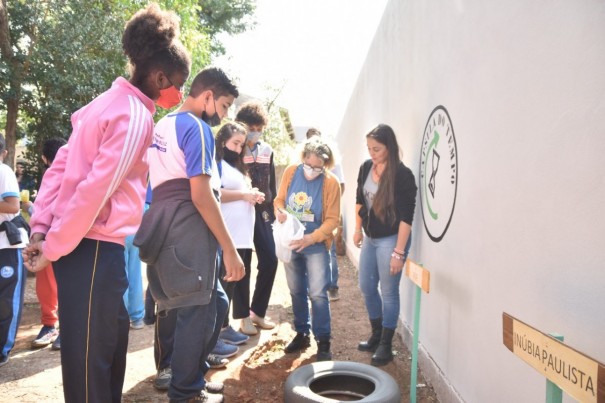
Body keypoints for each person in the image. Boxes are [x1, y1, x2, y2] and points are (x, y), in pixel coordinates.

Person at [22, 4, 191, 402]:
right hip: (94, 247)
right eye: (177, 84)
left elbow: (59, 170)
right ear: (159, 76)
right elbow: (95, 191)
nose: (178, 94)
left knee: (105, 352)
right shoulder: (135, 115)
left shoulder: (103, 103)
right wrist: (52, 245)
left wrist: (43, 229)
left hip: (83, 246)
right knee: (90, 364)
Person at [135, 66, 244, 403]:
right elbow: (201, 194)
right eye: (224, 106)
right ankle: (185, 391)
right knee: (199, 310)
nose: (223, 115)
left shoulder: (162, 124)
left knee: (206, 303)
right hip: (187, 226)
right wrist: (229, 247)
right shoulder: (196, 128)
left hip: (162, 226)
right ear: (208, 96)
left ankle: (188, 377)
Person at [354, 124, 417, 367]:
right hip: (370, 237)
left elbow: (406, 218)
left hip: (392, 238)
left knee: (389, 291)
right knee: (366, 286)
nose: (372, 153)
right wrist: (357, 229)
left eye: (377, 149)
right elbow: (360, 200)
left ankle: (386, 345)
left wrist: (398, 253)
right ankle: (376, 333)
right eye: (369, 148)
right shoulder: (366, 168)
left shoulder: (402, 175)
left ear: (389, 147)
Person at [274, 137, 340, 361]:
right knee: (296, 289)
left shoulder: (331, 183)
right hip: (291, 241)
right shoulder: (291, 172)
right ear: (303, 158)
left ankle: (323, 341)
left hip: (315, 245)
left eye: (318, 167)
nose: (312, 170)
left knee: (318, 293)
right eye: (309, 165)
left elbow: (332, 220)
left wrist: (311, 238)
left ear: (326, 165)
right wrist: (280, 212)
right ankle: (302, 332)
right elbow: (279, 199)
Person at [214, 122, 265, 352]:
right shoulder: (217, 165)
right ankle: (216, 334)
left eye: (241, 144)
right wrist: (245, 194)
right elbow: (215, 194)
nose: (238, 148)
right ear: (223, 140)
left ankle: (225, 328)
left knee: (232, 285)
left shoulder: (236, 168)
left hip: (243, 236)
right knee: (224, 285)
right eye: (235, 143)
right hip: (229, 235)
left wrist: (251, 195)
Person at [234, 101, 278, 335]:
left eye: (259, 127)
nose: (256, 132)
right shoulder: (234, 149)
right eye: (252, 127)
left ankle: (257, 312)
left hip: (262, 212)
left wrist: (273, 208)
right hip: (240, 210)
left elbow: (271, 184)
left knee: (270, 259)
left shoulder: (267, 150)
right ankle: (242, 317)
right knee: (244, 263)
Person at [30, 137, 67, 351]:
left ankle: (53, 326)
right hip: (59, 236)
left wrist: (37, 233)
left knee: (49, 283)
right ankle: (53, 326)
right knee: (56, 282)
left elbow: (41, 206)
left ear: (44, 157)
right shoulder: (75, 171)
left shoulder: (54, 174)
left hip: (53, 236)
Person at [0, 135, 30, 368]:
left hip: (9, 245)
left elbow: (13, 206)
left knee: (8, 300)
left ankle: (3, 349)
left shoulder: (3, 172)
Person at [305, 128, 345, 301]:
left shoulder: (332, 160)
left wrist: (331, 204)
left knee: (330, 251)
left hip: (329, 215)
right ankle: (315, 287)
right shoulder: (303, 165)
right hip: (309, 216)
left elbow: (341, 185)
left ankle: (332, 287)